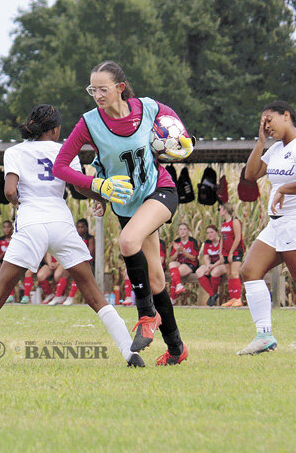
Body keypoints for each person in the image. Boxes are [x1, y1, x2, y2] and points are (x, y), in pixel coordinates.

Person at [0, 104, 144, 368]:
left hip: (31, 223)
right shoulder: (66, 150)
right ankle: (131, 354)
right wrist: (101, 198)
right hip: (61, 222)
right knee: (94, 295)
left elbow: (9, 191)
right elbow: (79, 186)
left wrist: (20, 202)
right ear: (56, 129)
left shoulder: (14, 152)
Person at [53, 60, 194, 365]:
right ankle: (175, 349)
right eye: (93, 89)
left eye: (103, 89)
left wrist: (181, 142)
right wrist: (97, 187)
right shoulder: (89, 123)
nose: (97, 95)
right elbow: (60, 166)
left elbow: (178, 130)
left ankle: (146, 316)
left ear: (119, 88)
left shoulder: (148, 108)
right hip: (126, 203)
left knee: (128, 242)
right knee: (156, 278)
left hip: (161, 191)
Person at [238, 100, 296, 356]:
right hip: (276, 224)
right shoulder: (276, 149)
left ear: (286, 115)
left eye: (270, 119)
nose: (266, 125)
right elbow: (251, 175)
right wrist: (260, 141)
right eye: (262, 122)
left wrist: (285, 189)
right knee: (250, 270)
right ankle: (264, 335)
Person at [60, 218, 96, 306]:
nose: (79, 229)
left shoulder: (90, 239)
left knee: (78, 273)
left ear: (86, 228)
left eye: (82, 227)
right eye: (78, 227)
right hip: (75, 261)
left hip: (87, 262)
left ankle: (71, 297)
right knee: (65, 273)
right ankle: (58, 296)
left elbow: (90, 253)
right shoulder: (75, 238)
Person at [218, 203, 245, 307]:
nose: (219, 211)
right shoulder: (224, 223)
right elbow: (222, 238)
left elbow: (238, 237)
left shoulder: (235, 221)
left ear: (225, 210)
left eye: (220, 209)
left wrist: (231, 252)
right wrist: (221, 252)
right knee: (229, 274)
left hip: (235, 251)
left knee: (234, 273)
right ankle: (232, 298)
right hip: (225, 251)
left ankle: (238, 298)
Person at [168, 223, 200, 304]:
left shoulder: (193, 241)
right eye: (180, 229)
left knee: (175, 274)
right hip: (180, 263)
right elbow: (172, 258)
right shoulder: (176, 242)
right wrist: (177, 251)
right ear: (178, 231)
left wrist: (183, 251)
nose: (182, 231)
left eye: (184, 229)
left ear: (188, 231)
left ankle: (172, 298)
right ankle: (179, 285)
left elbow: (193, 258)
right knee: (172, 265)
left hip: (190, 264)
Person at [195, 225, 226, 306]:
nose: (210, 235)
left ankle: (212, 295)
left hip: (222, 264)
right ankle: (212, 295)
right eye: (208, 233)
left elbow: (222, 259)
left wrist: (212, 267)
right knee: (199, 272)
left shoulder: (222, 243)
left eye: (212, 232)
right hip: (210, 264)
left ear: (217, 233)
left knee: (215, 272)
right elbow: (206, 257)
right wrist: (208, 266)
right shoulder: (207, 243)